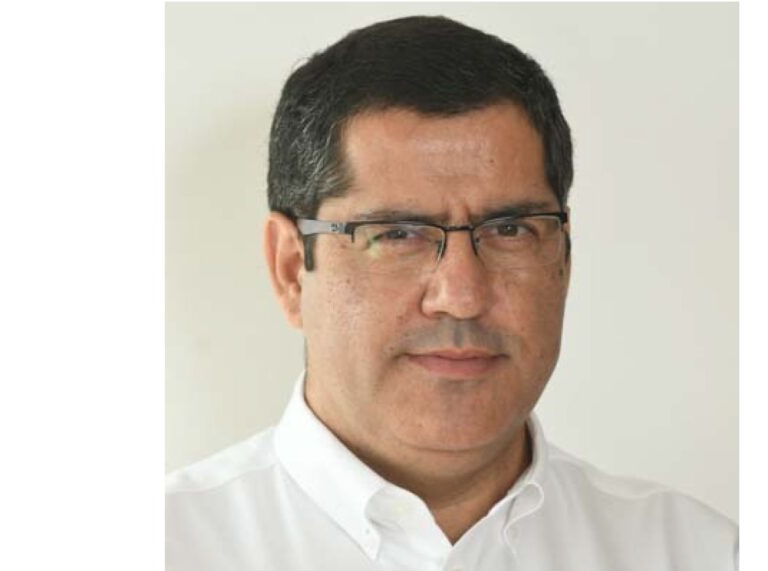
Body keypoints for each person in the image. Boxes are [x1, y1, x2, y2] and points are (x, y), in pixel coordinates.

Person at [166, 15, 737, 570]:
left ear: (564, 258)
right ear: (292, 270)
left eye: (510, 230)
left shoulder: (698, 554)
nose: (462, 296)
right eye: (396, 234)